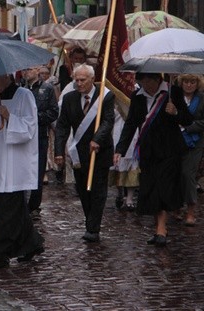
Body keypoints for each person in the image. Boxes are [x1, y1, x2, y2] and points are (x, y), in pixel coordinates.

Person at [0, 73, 44, 269]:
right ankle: (32, 244)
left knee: (6, 207)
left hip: (16, 161)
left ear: (6, 76)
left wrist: (10, 117)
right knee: (14, 207)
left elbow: (30, 128)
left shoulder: (24, 95)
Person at [114, 72, 192, 247]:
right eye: (143, 81)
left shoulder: (173, 93)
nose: (146, 85)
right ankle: (159, 227)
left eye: (149, 81)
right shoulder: (137, 96)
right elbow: (131, 123)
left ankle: (161, 229)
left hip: (169, 149)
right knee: (151, 187)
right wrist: (120, 149)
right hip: (148, 150)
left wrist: (176, 112)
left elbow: (188, 119)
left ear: (158, 80)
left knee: (164, 186)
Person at [54, 64, 115, 243]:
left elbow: (108, 121)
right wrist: (59, 151)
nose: (79, 84)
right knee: (83, 190)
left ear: (92, 79)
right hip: (79, 154)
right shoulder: (69, 99)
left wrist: (97, 139)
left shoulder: (106, 96)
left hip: (100, 151)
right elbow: (62, 127)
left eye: (82, 80)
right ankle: (90, 220)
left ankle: (93, 228)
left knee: (98, 190)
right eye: (76, 80)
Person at [21, 67, 59, 218]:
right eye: (24, 70)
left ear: (37, 70)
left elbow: (53, 112)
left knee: (38, 170)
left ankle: (34, 205)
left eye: (29, 69)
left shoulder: (47, 88)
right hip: (23, 135)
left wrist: (34, 118)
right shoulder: (21, 89)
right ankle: (22, 203)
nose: (26, 72)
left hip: (40, 135)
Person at [177, 74, 204, 226]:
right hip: (176, 142)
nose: (189, 85)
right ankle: (176, 205)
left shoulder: (201, 98)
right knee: (176, 173)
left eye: (192, 82)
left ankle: (191, 210)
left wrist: (188, 127)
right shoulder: (174, 97)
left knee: (188, 174)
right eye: (186, 82)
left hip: (195, 142)